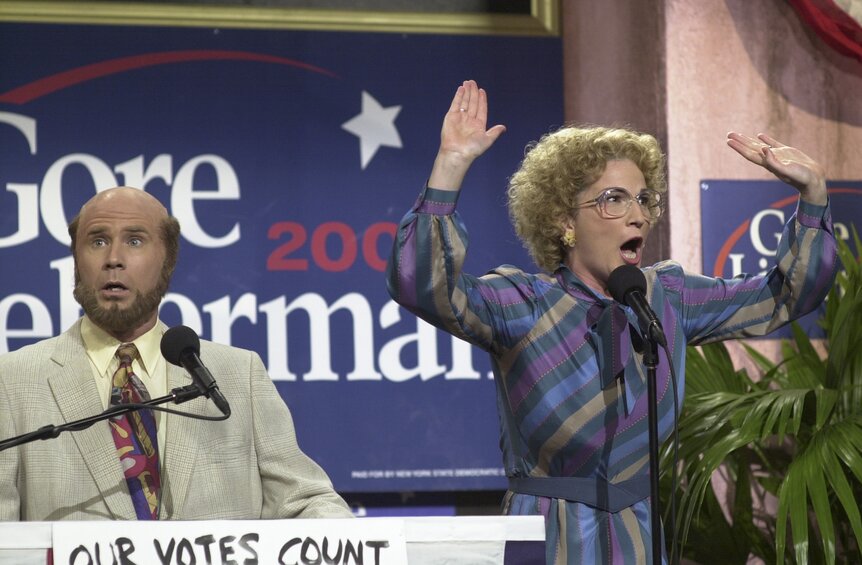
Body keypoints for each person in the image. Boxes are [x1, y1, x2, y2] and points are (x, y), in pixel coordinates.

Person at [386, 80, 837, 564]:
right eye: (614, 199)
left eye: (645, 200)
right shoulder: (524, 303)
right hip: (548, 538)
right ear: (564, 220)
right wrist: (450, 165)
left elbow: (786, 296)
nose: (637, 216)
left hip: (638, 539)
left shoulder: (667, 299)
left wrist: (812, 194)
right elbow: (421, 286)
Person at [0, 187, 353, 521]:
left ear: (167, 259)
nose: (113, 259)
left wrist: (367, 542)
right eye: (97, 241)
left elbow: (304, 501)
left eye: (135, 241)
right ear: (76, 259)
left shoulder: (237, 374)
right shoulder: (12, 380)